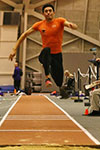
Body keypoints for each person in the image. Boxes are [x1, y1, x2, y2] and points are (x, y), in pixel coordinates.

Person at [9, 3, 77, 89]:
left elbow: (67, 23)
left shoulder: (60, 21)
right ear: (43, 14)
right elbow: (24, 34)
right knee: (47, 50)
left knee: (59, 81)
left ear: (53, 12)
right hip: (45, 55)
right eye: (46, 11)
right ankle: (47, 78)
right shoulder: (39, 25)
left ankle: (53, 74)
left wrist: (71, 25)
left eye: (50, 11)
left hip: (57, 55)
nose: (48, 12)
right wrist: (14, 49)